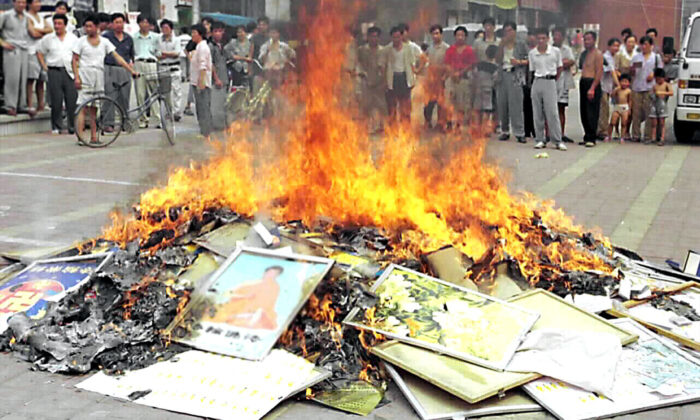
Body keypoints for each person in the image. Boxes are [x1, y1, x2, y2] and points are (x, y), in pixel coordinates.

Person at [72, 14, 136, 144]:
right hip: (85, 74)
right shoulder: (81, 42)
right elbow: (74, 60)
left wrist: (131, 70)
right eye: (86, 26)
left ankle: (94, 136)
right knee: (83, 106)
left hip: (99, 75)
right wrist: (77, 77)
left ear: (96, 27)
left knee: (95, 107)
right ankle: (80, 136)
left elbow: (117, 57)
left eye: (90, 26)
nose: (88, 29)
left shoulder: (105, 42)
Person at [202, 266, 284, 330]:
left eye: (274, 274)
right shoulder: (249, 284)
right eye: (270, 273)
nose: (271, 276)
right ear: (265, 273)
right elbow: (228, 294)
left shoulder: (274, 287)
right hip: (235, 311)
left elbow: (268, 305)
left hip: (257, 314)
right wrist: (244, 297)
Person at [36, 13, 77, 134]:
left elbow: (77, 55)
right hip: (54, 70)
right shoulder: (48, 39)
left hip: (69, 71)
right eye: (55, 24)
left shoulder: (73, 39)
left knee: (71, 100)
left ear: (65, 25)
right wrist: (44, 66)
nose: (57, 26)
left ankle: (72, 126)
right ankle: (56, 126)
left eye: (60, 24)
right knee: (56, 100)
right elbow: (39, 52)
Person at [529, 28, 565, 151]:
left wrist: (553, 79)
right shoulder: (532, 53)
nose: (541, 41)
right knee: (537, 112)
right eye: (539, 38)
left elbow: (559, 67)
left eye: (543, 38)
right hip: (537, 80)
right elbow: (532, 70)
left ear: (548, 39)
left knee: (552, 112)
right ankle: (540, 139)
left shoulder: (555, 52)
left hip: (550, 81)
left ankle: (557, 140)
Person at [496, 21, 529, 143]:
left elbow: (529, 59)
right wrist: (500, 46)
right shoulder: (502, 44)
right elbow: (497, 59)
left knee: (516, 104)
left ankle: (519, 132)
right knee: (502, 103)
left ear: (515, 31)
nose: (508, 33)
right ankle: (504, 131)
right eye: (506, 31)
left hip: (515, 75)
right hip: (502, 75)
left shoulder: (520, 44)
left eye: (510, 30)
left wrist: (519, 62)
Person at [102, 13, 134, 132]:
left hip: (124, 69)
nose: (119, 25)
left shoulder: (128, 38)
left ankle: (125, 121)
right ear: (111, 24)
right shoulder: (106, 38)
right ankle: (108, 123)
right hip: (109, 68)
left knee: (124, 97)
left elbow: (131, 56)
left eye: (121, 22)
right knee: (110, 96)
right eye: (116, 22)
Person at [0, 0, 30, 116]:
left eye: (23, 2)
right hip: (11, 49)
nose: (21, 5)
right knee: (12, 78)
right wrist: (2, 43)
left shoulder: (27, 16)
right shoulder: (6, 15)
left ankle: (21, 105)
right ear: (14, 3)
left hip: (24, 48)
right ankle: (10, 105)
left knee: (23, 78)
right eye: (19, 2)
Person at [383, 26, 418, 126]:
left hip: (404, 78)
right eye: (394, 37)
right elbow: (383, 65)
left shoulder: (408, 49)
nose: (396, 39)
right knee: (392, 105)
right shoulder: (387, 50)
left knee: (405, 105)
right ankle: (393, 128)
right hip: (392, 78)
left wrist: (414, 75)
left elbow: (413, 64)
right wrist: (384, 80)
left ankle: (406, 127)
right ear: (391, 38)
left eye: (398, 37)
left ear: (401, 37)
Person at [630, 36, 662, 143]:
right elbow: (631, 73)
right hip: (637, 87)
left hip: (650, 87)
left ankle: (648, 136)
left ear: (651, 46)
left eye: (646, 44)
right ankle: (636, 134)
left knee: (649, 112)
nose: (644, 46)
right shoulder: (636, 57)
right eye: (642, 44)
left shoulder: (656, 57)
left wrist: (653, 74)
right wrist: (633, 70)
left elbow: (660, 72)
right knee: (636, 112)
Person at [444, 26, 476, 132]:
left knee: (461, 104)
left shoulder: (469, 50)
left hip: (463, 79)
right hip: (451, 79)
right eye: (458, 35)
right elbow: (447, 64)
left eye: (462, 35)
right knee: (449, 102)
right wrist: (453, 74)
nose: (460, 37)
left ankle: (458, 125)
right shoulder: (450, 50)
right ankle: (449, 123)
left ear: (466, 37)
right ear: (455, 36)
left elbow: (471, 65)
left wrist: (460, 73)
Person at [259, 27, 296, 117]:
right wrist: (267, 51)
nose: (273, 35)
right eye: (271, 33)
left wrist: (286, 60)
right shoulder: (265, 46)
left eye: (275, 33)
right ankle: (268, 113)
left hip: (279, 71)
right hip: (268, 71)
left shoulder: (283, 46)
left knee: (279, 92)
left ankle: (280, 113)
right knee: (268, 93)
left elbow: (293, 54)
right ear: (269, 35)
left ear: (278, 34)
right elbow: (261, 59)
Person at [133, 15, 160, 128]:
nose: (144, 25)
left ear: (150, 25)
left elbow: (159, 52)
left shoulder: (156, 37)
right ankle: (143, 119)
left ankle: (158, 119)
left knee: (153, 93)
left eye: (146, 22)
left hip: (151, 64)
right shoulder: (134, 37)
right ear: (138, 24)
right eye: (142, 22)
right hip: (138, 63)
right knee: (140, 93)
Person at [356, 26, 386, 133]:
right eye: (372, 36)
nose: (374, 39)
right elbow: (357, 63)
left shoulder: (383, 51)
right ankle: (365, 127)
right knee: (366, 106)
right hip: (366, 82)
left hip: (379, 82)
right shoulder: (362, 50)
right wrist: (362, 74)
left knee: (381, 105)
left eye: (376, 36)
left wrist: (383, 79)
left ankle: (381, 126)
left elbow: (384, 66)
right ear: (368, 37)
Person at [26, 0, 51, 115]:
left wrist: (39, 31)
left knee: (41, 80)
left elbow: (51, 30)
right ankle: (30, 105)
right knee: (31, 79)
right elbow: (33, 34)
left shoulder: (41, 17)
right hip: (31, 51)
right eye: (36, 2)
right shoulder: (26, 16)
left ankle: (41, 104)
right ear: (30, 4)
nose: (38, 5)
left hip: (43, 52)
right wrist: (43, 32)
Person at [579, 31, 603, 147]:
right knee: (583, 111)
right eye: (585, 39)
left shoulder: (598, 54)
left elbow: (599, 72)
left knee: (591, 112)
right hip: (583, 82)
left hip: (592, 83)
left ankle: (592, 137)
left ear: (594, 40)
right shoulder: (584, 54)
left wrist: (593, 88)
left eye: (589, 39)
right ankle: (586, 135)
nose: (586, 42)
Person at [423, 24, 449, 130]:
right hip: (431, 79)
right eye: (433, 34)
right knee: (428, 103)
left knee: (441, 103)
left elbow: (448, 65)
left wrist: (445, 76)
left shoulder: (446, 48)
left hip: (442, 79)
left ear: (441, 35)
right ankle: (427, 122)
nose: (435, 36)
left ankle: (440, 124)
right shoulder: (429, 48)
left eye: (437, 33)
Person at [552, 27, 575, 143]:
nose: (557, 37)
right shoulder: (548, 49)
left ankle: (561, 133)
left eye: (559, 35)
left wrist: (558, 64)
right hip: (551, 82)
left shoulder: (567, 49)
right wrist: (562, 63)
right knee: (549, 109)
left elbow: (571, 61)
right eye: (555, 35)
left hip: (564, 82)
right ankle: (549, 133)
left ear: (562, 37)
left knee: (561, 108)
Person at [190, 23, 212, 138]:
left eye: (194, 33)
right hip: (196, 82)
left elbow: (203, 66)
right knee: (200, 107)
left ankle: (206, 132)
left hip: (201, 83)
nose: (192, 35)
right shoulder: (198, 47)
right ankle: (203, 131)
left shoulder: (203, 47)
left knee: (203, 108)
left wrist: (201, 82)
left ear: (200, 34)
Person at [158, 19, 183, 121]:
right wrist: (167, 54)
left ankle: (176, 112)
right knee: (166, 92)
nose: (165, 30)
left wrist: (164, 54)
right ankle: (169, 111)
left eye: (167, 28)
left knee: (176, 90)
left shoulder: (176, 40)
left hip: (174, 67)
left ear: (171, 29)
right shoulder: (159, 40)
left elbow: (176, 53)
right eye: (163, 28)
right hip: (163, 67)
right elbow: (157, 54)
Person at [598, 38, 620, 141]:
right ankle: (602, 131)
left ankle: (603, 129)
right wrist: (619, 85)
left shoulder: (613, 57)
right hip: (603, 87)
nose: (616, 48)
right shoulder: (606, 57)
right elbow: (612, 72)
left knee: (605, 108)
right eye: (614, 46)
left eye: (617, 46)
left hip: (608, 87)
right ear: (609, 46)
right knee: (604, 109)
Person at [473, 45, 499, 132]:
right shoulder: (495, 67)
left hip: (478, 88)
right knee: (487, 109)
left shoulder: (479, 65)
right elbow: (495, 79)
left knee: (478, 109)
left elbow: (474, 74)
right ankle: (485, 128)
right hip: (488, 89)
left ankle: (477, 127)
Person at [209, 21, 229, 131]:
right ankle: (215, 127)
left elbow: (229, 57)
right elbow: (210, 63)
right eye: (215, 31)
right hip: (216, 81)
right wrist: (216, 79)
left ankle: (221, 126)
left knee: (222, 104)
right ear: (211, 33)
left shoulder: (222, 46)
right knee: (215, 105)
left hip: (224, 78)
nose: (218, 34)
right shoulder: (211, 46)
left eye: (220, 31)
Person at [224, 25, 254, 89]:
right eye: (238, 32)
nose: (240, 34)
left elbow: (250, 58)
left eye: (242, 32)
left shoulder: (250, 43)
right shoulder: (232, 42)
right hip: (236, 68)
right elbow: (227, 51)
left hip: (247, 68)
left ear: (246, 33)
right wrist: (243, 58)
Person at [650, 68, 673, 146]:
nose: (658, 80)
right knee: (654, 122)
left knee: (662, 122)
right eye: (657, 79)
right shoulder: (654, 85)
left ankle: (662, 138)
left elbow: (671, 93)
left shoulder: (666, 84)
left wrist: (662, 92)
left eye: (660, 79)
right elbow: (651, 95)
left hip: (662, 103)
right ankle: (653, 137)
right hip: (655, 103)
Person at [608, 74, 632, 142]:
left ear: (629, 83)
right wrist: (615, 90)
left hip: (625, 107)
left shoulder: (628, 91)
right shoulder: (618, 89)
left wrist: (629, 109)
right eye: (622, 81)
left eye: (626, 82)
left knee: (624, 123)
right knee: (612, 122)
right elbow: (612, 95)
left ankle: (622, 137)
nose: (624, 83)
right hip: (617, 106)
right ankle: (608, 135)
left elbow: (630, 100)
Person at [522, 31, 537, 141]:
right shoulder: (523, 49)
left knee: (536, 108)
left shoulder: (539, 50)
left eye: (533, 37)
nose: (531, 39)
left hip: (536, 82)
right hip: (525, 82)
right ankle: (526, 130)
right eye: (529, 36)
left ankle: (536, 130)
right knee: (526, 107)